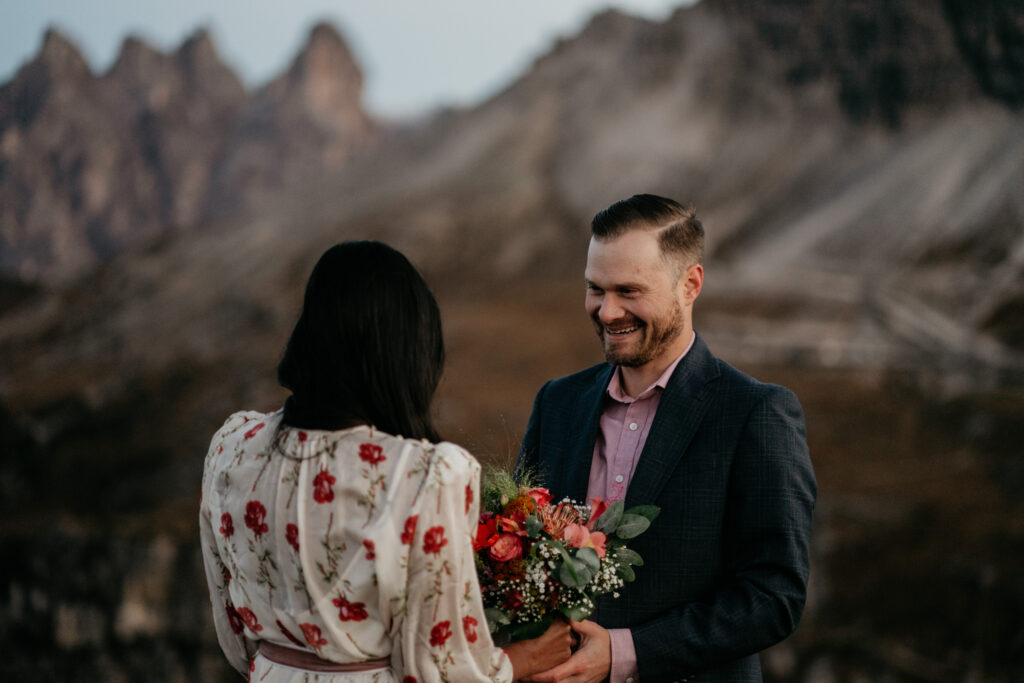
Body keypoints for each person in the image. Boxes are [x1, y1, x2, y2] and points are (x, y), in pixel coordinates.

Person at [201, 241, 572, 682]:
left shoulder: (232, 445)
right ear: (408, 356)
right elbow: (441, 666)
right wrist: (522, 660)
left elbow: (230, 624)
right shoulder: (424, 475)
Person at [517, 195, 817, 683]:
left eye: (629, 291)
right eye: (595, 289)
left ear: (690, 284)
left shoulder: (755, 413)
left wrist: (623, 653)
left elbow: (773, 598)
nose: (607, 311)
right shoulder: (557, 403)